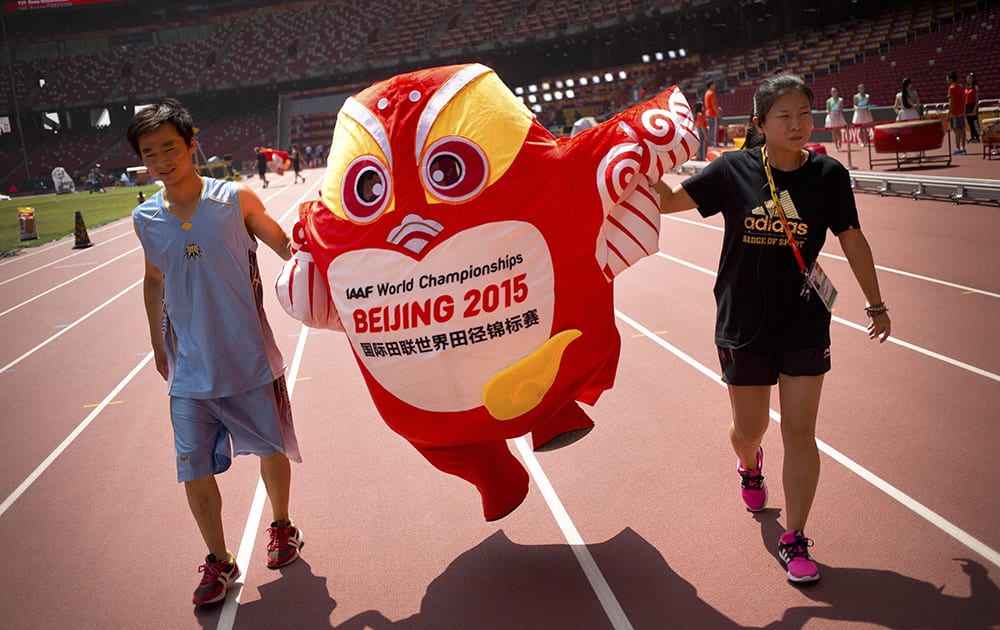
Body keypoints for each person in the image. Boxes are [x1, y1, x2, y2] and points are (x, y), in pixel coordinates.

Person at [653, 74, 891, 584]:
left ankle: (796, 535)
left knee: (802, 433)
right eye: (784, 116)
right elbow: (671, 200)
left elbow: (852, 239)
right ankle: (749, 461)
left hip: (805, 320)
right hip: (744, 320)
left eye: (804, 114)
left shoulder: (828, 176)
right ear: (760, 124)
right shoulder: (734, 169)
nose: (798, 124)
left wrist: (876, 304)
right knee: (751, 429)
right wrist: (624, 170)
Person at [127, 98, 304, 606]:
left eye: (169, 148)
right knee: (192, 467)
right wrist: (158, 345)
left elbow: (285, 246)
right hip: (189, 368)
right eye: (150, 152)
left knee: (271, 449)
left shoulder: (235, 199)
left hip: (248, 357)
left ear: (190, 145)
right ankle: (219, 559)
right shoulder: (146, 218)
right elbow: (153, 279)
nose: (161, 159)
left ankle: (282, 526)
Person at [947, 71, 967, 155]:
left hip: (955, 112)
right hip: (961, 111)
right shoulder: (960, 86)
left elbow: (952, 101)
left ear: (951, 79)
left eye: (947, 78)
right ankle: (963, 147)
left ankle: (958, 148)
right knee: (962, 129)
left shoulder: (952, 88)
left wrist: (949, 113)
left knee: (957, 130)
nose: (946, 80)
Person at [965, 73, 980, 144]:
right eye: (967, 78)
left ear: (973, 79)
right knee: (970, 122)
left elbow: (977, 98)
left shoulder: (975, 87)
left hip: (973, 105)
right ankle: (972, 137)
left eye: (970, 78)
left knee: (974, 121)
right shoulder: (967, 87)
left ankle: (977, 137)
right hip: (967, 106)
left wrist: (975, 107)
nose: (968, 79)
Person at [705, 80, 720, 147]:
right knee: (714, 129)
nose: (715, 86)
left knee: (711, 129)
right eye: (714, 85)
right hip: (712, 113)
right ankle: (714, 143)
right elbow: (714, 104)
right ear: (710, 85)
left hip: (708, 113)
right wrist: (718, 113)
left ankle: (711, 143)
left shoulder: (707, 93)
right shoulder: (711, 93)